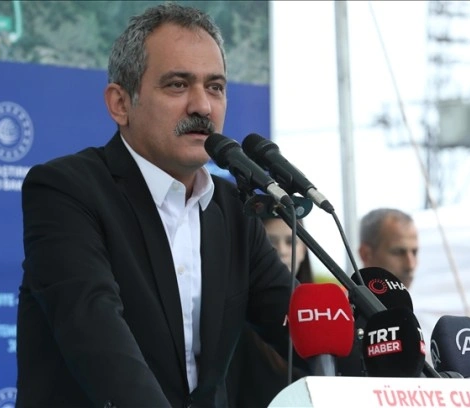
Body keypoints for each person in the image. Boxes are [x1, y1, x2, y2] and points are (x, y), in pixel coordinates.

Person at [16, 3, 299, 407]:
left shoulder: (234, 208)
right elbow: (97, 336)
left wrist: (382, 366)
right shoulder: (66, 190)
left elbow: (298, 322)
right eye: (178, 85)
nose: (202, 106)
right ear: (120, 103)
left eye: (215, 87)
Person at [226, 216, 313, 407]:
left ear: (304, 249)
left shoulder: (321, 313)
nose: (282, 250)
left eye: (290, 242)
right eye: (270, 242)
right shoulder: (237, 320)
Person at [358, 208, 419, 288]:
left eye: (414, 253)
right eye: (398, 252)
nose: (410, 265)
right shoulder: (344, 296)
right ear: (366, 254)